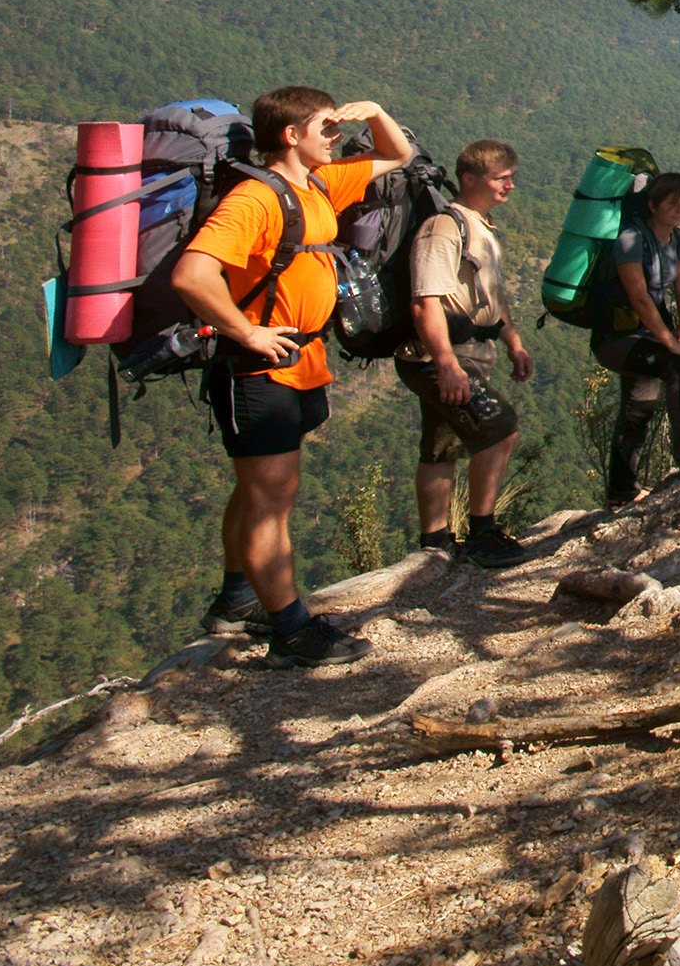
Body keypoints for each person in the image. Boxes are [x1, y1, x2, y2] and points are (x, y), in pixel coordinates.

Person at [172, 86, 415, 667]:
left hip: (299, 362)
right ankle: (290, 630)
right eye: (327, 128)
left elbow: (400, 158)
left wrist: (378, 110)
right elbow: (191, 276)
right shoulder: (256, 200)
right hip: (259, 370)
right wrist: (247, 332)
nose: (338, 137)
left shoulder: (320, 185)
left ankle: (235, 601)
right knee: (271, 502)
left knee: (256, 492)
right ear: (290, 135)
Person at [394, 139, 535, 567]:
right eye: (500, 178)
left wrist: (514, 343)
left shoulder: (481, 225)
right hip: (437, 356)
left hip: (466, 353)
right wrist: (446, 365)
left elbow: (493, 295)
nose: (510, 185)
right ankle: (482, 534)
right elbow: (425, 301)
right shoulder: (444, 228)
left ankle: (435, 541)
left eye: (512, 176)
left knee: (442, 445)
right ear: (470, 179)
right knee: (499, 428)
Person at [598, 171, 680, 504]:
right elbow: (639, 297)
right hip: (617, 338)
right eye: (672, 202)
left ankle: (621, 490)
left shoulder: (678, 239)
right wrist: (669, 342)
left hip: (650, 335)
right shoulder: (631, 239)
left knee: (638, 408)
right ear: (652, 204)